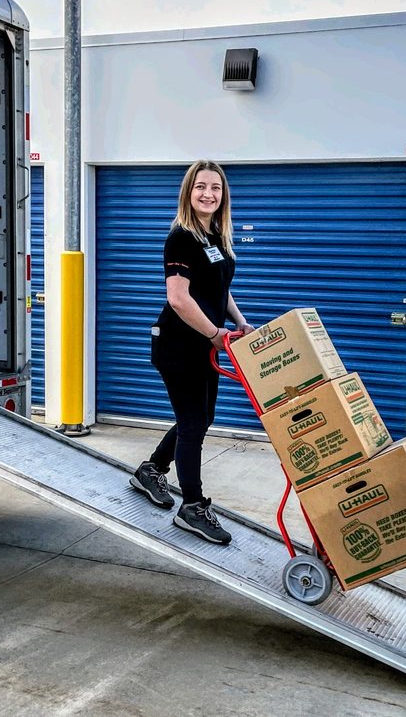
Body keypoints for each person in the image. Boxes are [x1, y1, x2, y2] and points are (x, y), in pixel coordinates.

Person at [129, 160, 255, 545]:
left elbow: (219, 288)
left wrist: (239, 321)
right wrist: (216, 333)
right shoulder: (181, 237)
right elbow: (179, 299)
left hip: (205, 346)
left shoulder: (214, 237)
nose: (208, 194)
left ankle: (151, 470)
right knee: (193, 423)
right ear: (188, 191)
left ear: (223, 195)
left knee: (201, 417)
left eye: (215, 188)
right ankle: (193, 507)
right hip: (178, 345)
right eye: (201, 186)